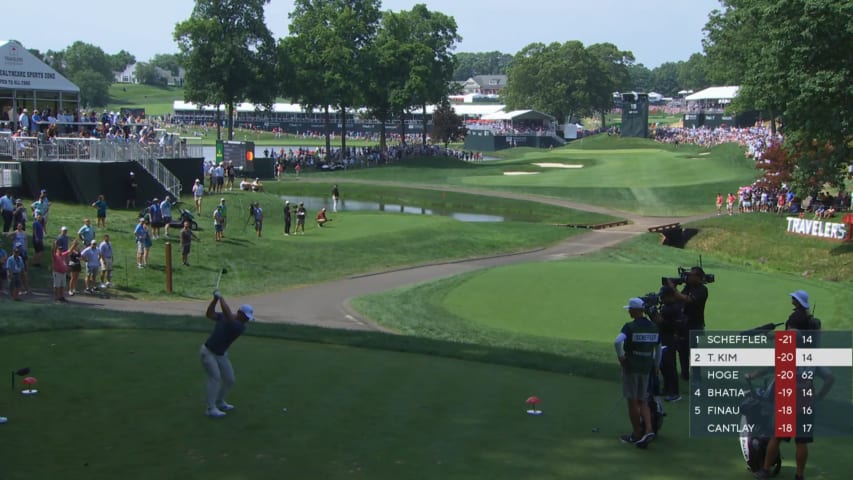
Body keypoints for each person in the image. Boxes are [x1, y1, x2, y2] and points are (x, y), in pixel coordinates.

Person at [749, 290, 834, 480]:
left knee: (777, 436)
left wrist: (753, 373)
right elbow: (830, 379)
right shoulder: (814, 356)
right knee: (801, 442)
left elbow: (773, 366)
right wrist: (818, 397)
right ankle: (799, 475)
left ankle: (765, 470)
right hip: (806, 399)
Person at [614, 297, 661, 448]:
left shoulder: (630, 327)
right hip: (646, 367)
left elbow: (617, 341)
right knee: (643, 400)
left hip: (631, 367)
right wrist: (656, 365)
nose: (628, 311)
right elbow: (658, 348)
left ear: (636, 310)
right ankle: (648, 429)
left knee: (633, 401)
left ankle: (636, 434)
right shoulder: (653, 326)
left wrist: (621, 358)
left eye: (630, 309)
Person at [200, 291, 254, 418]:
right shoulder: (226, 317)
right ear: (239, 313)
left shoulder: (239, 327)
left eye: (248, 318)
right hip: (208, 352)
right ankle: (210, 408)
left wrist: (221, 298)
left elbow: (229, 316)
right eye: (245, 317)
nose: (246, 320)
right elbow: (209, 314)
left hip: (220, 354)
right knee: (215, 378)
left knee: (230, 380)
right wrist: (214, 300)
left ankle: (220, 402)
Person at [669, 266, 709, 381]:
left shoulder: (702, 290)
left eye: (691, 275)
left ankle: (696, 377)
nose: (689, 276)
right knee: (682, 350)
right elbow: (677, 299)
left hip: (695, 324)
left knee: (694, 351)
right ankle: (685, 374)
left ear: (698, 277)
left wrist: (673, 288)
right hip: (684, 323)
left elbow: (685, 299)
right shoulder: (688, 287)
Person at [656, 286, 684, 402]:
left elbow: (675, 326)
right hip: (663, 338)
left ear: (669, 296)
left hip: (670, 340)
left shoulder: (674, 308)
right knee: (663, 365)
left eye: (663, 296)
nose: (661, 298)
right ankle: (667, 389)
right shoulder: (667, 307)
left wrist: (661, 320)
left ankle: (675, 393)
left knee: (670, 366)